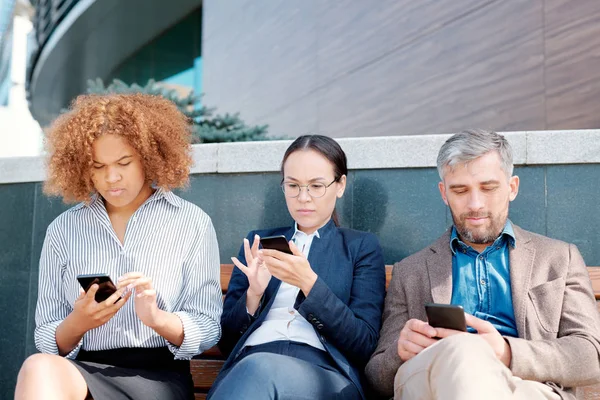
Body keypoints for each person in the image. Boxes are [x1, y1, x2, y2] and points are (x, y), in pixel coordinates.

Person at [15, 93, 223, 400]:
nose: (112, 178)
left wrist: (156, 318)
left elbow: (207, 326)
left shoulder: (192, 222)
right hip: (84, 372)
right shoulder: (63, 230)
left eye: (124, 162)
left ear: (149, 156)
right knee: (38, 368)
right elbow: (47, 336)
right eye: (98, 166)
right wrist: (79, 322)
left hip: (159, 379)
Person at [365, 129, 600, 400]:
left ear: (512, 187)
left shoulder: (558, 258)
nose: (475, 204)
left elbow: (590, 356)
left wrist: (505, 351)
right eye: (460, 190)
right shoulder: (411, 271)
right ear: (444, 193)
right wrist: (399, 352)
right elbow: (376, 378)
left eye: (488, 188)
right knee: (462, 350)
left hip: (526, 387)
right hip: (430, 382)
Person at [208, 135, 386, 400]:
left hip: (323, 372)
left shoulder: (360, 247)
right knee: (255, 369)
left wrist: (310, 284)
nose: (303, 197)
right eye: (293, 185)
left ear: (340, 185)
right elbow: (227, 343)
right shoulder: (257, 241)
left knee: (259, 370)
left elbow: (363, 344)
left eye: (316, 186)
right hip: (250, 363)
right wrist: (253, 295)